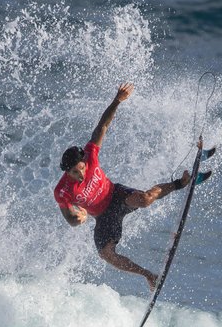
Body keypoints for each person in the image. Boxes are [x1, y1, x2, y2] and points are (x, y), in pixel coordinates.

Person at [54, 82, 194, 290]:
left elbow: (102, 126)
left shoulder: (90, 155)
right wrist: (79, 217)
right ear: (67, 172)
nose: (80, 174)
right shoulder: (63, 191)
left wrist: (117, 101)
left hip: (116, 195)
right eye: (74, 172)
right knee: (106, 255)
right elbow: (70, 220)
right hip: (103, 217)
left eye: (81, 168)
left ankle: (178, 184)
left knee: (145, 199)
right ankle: (148, 275)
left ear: (84, 161)